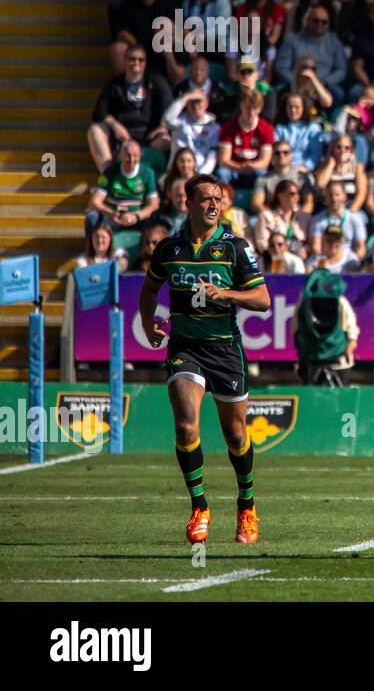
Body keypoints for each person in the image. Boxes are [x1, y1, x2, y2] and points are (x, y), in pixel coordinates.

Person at [138, 173, 270, 545]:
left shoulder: (235, 247)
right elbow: (149, 289)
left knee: (235, 434)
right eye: (206, 199)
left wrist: (225, 293)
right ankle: (199, 505)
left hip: (226, 350)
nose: (214, 205)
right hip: (185, 349)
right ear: (188, 203)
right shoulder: (169, 248)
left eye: (219, 198)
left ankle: (247, 504)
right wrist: (149, 323)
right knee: (186, 427)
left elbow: (262, 300)